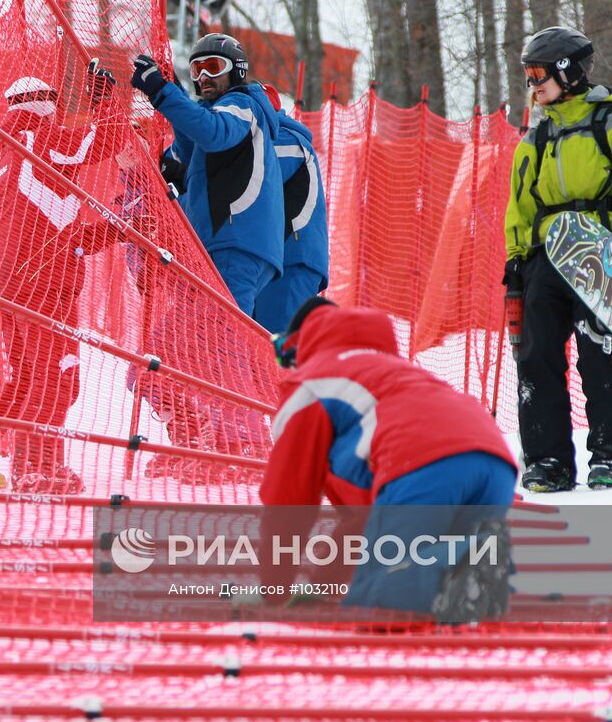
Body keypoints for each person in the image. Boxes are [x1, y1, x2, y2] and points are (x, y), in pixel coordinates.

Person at [259, 297, 518, 621]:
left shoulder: (311, 383)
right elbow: (364, 521)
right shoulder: (392, 373)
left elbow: (287, 501)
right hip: (493, 462)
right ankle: (478, 560)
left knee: (381, 605)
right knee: (426, 583)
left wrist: (273, 591)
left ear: (298, 344)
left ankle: (473, 557)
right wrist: (320, 588)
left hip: (425, 466)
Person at [504, 26, 612, 492]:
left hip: (600, 252)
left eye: (539, 74)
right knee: (536, 357)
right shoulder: (535, 139)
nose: (533, 85)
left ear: (567, 72)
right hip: (548, 256)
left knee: (599, 351)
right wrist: (516, 261)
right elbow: (520, 206)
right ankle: (547, 461)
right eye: (528, 76)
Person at [0, 72, 122, 494]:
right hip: (40, 284)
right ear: (45, 105)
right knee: (57, 379)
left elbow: (57, 231)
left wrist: (115, 229)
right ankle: (38, 468)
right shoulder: (35, 137)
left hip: (14, 282)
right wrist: (107, 102)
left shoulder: (8, 156)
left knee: (30, 381)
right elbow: (104, 142)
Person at [129, 34, 284, 327]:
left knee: (218, 342)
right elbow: (189, 145)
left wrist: (162, 92)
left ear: (236, 69)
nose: (203, 77)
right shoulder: (218, 112)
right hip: (218, 245)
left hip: (233, 244)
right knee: (177, 340)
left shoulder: (242, 103)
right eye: (196, 70)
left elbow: (212, 132)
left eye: (213, 66)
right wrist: (171, 88)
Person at [255, 84, 329, 334]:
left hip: (292, 261)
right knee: (260, 350)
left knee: (277, 351)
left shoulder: (287, 141)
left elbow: (257, 169)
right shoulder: (271, 139)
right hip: (275, 260)